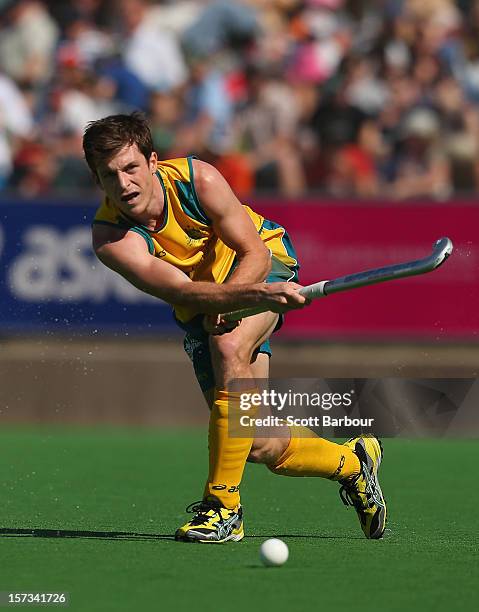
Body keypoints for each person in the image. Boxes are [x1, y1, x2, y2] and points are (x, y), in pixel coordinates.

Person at [84, 112, 386, 542]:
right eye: (109, 175)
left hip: (263, 262)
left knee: (227, 347)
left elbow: (255, 255)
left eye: (131, 168)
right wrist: (244, 301)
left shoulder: (197, 180)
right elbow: (186, 295)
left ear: (152, 161)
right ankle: (355, 464)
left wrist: (250, 294)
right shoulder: (113, 240)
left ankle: (222, 507)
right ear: (98, 181)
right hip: (208, 307)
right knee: (259, 442)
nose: (124, 184)